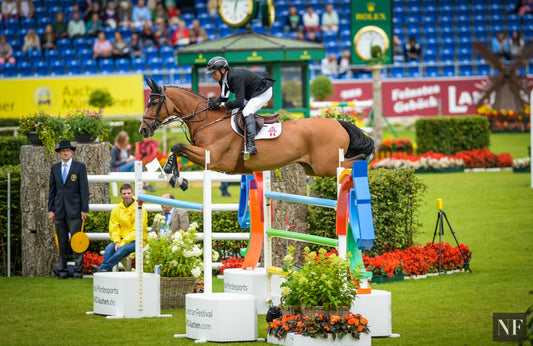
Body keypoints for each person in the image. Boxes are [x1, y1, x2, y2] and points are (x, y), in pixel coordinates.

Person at [206, 56, 275, 156]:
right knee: (234, 113)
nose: (212, 75)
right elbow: (224, 97)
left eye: (214, 72)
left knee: (247, 111)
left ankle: (251, 146)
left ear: (223, 70)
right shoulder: (223, 78)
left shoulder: (235, 77)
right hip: (250, 94)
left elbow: (238, 102)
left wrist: (221, 104)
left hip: (262, 92)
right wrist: (214, 103)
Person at [48, 140, 89, 279]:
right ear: (59, 153)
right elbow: (52, 191)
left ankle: (78, 271)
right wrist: (51, 210)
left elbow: (84, 189)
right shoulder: (55, 168)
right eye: (62, 151)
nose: (65, 153)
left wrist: (84, 209)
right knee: (62, 243)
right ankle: (63, 271)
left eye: (68, 150)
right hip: (59, 211)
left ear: (71, 152)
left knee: (77, 242)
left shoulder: (79, 167)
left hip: (75, 211)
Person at [95, 183, 148, 272]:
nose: (126, 196)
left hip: (137, 240)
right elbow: (114, 228)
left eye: (128, 193)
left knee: (123, 249)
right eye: (124, 193)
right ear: (121, 195)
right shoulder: (116, 209)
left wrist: (122, 243)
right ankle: (105, 272)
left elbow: (137, 230)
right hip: (120, 240)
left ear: (132, 193)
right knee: (109, 248)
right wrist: (116, 241)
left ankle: (102, 269)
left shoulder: (140, 209)